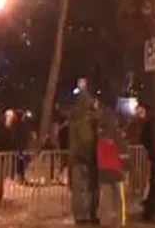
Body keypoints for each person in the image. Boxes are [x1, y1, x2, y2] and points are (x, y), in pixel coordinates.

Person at [68, 80, 99, 224]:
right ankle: (89, 214)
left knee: (78, 188)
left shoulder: (74, 117)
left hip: (76, 157)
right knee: (90, 186)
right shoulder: (91, 118)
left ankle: (80, 215)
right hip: (89, 157)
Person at [95, 109, 130, 228]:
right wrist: (127, 167)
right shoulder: (117, 136)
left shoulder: (100, 136)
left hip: (103, 170)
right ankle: (120, 221)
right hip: (116, 170)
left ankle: (104, 221)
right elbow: (123, 153)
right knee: (119, 199)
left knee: (105, 197)